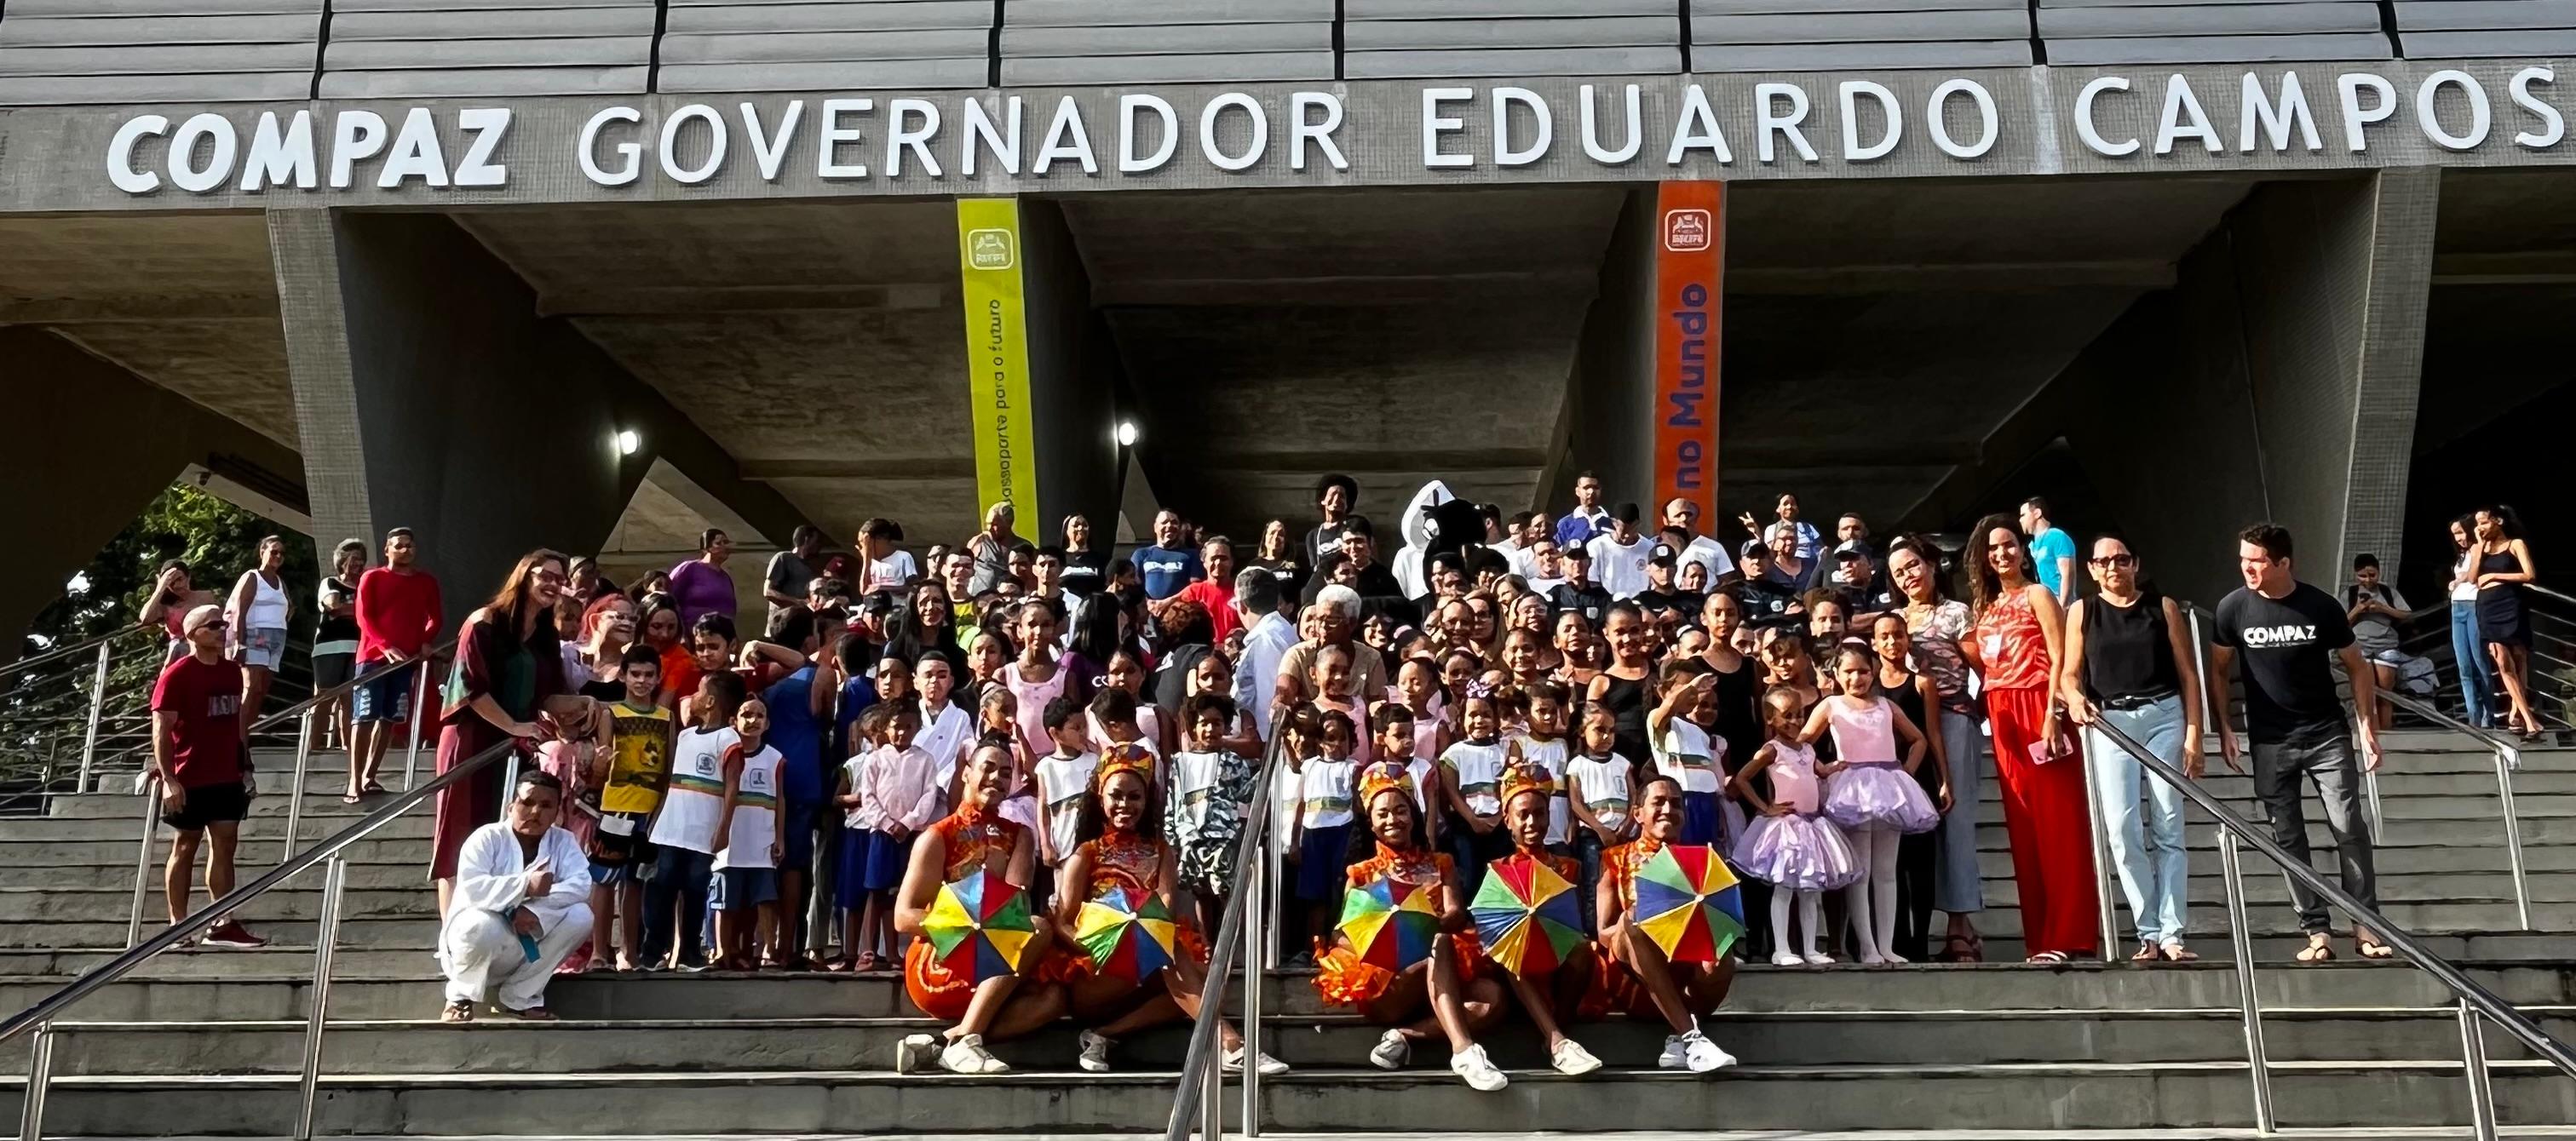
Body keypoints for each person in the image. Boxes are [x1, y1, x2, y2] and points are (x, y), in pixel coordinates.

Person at [2211, 523, 2389, 962]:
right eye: (2243, 560)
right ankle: (2316, 930)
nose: (2247, 568)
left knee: (2348, 824)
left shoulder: (2320, 606)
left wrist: (2366, 724)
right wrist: (2226, 726)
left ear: (2283, 562)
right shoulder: (2233, 608)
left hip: (2325, 732)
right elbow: (2218, 668)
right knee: (2286, 836)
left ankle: (2364, 922)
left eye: (2256, 561)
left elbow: (2357, 665)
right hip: (2270, 739)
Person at [1315, 762, 1511, 1092]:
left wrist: (1422, 926)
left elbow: (1456, 914)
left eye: (1400, 810)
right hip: (1389, 980)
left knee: (1492, 999)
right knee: (1439, 944)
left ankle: (1403, 1037)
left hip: (1441, 964)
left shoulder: (1441, 863)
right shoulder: (1361, 874)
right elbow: (1340, 934)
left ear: (1414, 814)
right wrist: (1382, 940)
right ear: (1371, 823)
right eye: (1384, 814)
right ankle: (1464, 1051)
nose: (1393, 819)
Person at [428, 550, 597, 921]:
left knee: (507, 835)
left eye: (560, 578)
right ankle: (453, 932)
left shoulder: (545, 636)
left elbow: (546, 696)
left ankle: (498, 927)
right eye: (546, 576)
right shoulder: (485, 622)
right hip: (472, 741)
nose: (554, 584)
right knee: (462, 835)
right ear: (524, 575)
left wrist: (584, 702)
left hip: (514, 747)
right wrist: (515, 726)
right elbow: (468, 688)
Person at [2060, 536, 2204, 963]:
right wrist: (2073, 698)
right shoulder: (2082, 612)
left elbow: (2188, 674)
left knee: (2168, 822)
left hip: (2163, 713)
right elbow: (2069, 673)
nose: (2112, 568)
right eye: (2103, 561)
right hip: (2110, 721)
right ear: (2090, 569)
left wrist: (2194, 732)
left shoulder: (2162, 607)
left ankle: (2173, 931)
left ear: (2135, 563)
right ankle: (2149, 931)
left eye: (2121, 560)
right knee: (2122, 830)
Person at [1962, 513, 2097, 964]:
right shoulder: (1985, 608)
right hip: (2002, 717)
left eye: (2009, 545)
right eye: (1993, 549)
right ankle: (2039, 938)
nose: (2002, 554)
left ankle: (2070, 934)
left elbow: (2061, 655)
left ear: (2023, 550)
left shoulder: (2038, 593)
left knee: (2059, 825)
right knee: (2024, 831)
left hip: (2039, 706)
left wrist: (2054, 712)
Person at [892, 743, 1067, 1074]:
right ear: (966, 773)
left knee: (1053, 999)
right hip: (942, 959)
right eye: (988, 768)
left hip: (996, 953)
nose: (997, 778)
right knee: (1038, 927)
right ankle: (966, 1040)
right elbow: (904, 917)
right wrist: (964, 924)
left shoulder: (1020, 836)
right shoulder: (938, 836)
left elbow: (1013, 911)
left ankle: (946, 1045)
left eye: (1006, 773)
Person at [1594, 774, 1740, 1070]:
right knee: (1633, 918)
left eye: (1676, 804)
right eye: (1658, 802)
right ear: (1638, 814)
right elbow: (1604, 932)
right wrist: (1654, 926)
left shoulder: (1701, 860)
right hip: (1638, 981)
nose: (1667, 810)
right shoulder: (1616, 859)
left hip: (1688, 976)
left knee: (1724, 952)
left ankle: (1679, 1033)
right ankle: (1692, 1037)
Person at [1809, 645, 1938, 964]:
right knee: (1861, 871)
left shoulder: (1885, 705)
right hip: (1852, 788)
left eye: (1863, 671)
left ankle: (1887, 945)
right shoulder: (1831, 705)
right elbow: (1800, 742)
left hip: (1888, 786)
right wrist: (1823, 768)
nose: (1856, 678)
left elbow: (1918, 739)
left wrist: (1905, 772)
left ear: (1874, 671)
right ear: (1836, 675)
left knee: (1886, 872)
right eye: (1849, 672)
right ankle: (1867, 946)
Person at [1888, 536, 1985, 960]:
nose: (1908, 576)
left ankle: (1960, 925)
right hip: (1907, 727)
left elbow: (1983, 665)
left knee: (1955, 822)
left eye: (1912, 566)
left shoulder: (1955, 613)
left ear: (1930, 564)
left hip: (1952, 718)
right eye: (1898, 573)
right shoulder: (1893, 621)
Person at [150, 605, 263, 949]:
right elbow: (161, 727)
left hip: (226, 772)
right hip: (189, 774)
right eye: (213, 625)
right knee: (185, 845)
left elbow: (238, 724)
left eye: (222, 623)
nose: (221, 629)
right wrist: (169, 779)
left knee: (226, 843)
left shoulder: (231, 672)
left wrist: (246, 764)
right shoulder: (177, 674)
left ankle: (222, 920)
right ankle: (178, 925)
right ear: (194, 633)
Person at [439, 770, 592, 1022]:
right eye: (527, 803)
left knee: (581, 916)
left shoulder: (563, 841)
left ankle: (520, 996)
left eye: (545, 806)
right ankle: (459, 998)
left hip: (525, 946)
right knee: (479, 924)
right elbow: (474, 888)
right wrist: (524, 889)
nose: (535, 813)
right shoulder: (486, 838)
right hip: (478, 945)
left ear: (557, 812)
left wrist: (534, 910)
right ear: (511, 806)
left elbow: (581, 885)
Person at [1486, 762, 1607, 1075]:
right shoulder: (1497, 870)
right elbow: (1490, 928)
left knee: (1582, 948)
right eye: (1523, 815)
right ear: (1507, 821)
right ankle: (1558, 1042)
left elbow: (1575, 923)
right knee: (1506, 949)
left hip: (1557, 959)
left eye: (1539, 813)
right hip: (1518, 968)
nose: (1531, 822)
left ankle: (1557, 1029)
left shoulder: (1569, 867)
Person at [1733, 689, 1859, 965]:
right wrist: (1766, 807)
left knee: (1810, 891)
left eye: (1799, 714)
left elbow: (1820, 771)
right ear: (1770, 719)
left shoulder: (1808, 748)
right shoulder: (1771, 750)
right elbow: (1742, 778)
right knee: (1784, 888)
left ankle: (1811, 948)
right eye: (1787, 716)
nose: (1796, 721)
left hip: (1813, 825)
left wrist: (1837, 766)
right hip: (1786, 828)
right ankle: (1781, 948)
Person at [643, 672, 745, 969]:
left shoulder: (729, 739)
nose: (694, 698)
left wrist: (723, 828)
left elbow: (732, 786)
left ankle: (689, 950)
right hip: (671, 828)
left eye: (700, 692)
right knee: (662, 885)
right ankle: (652, 951)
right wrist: (658, 816)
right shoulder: (686, 735)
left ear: (711, 701)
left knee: (695, 887)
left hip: (702, 831)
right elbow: (669, 780)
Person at [588, 644, 673, 971]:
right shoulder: (611, 713)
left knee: (636, 882)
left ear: (658, 677)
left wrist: (661, 810)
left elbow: (667, 770)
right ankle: (599, 950)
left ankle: (630, 952)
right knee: (604, 880)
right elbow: (602, 762)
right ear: (623, 675)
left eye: (649, 675)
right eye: (635, 674)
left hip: (649, 809)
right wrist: (598, 766)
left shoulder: (666, 718)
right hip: (615, 806)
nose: (642, 681)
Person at [353, 527, 442, 800]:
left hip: (407, 660)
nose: (405, 550)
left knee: (391, 717)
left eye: (409, 545)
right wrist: (384, 645)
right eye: (399, 545)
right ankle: (354, 781)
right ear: (387, 549)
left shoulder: (426, 581)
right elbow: (363, 617)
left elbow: (435, 618)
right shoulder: (373, 577)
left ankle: (370, 775)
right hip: (372, 658)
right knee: (365, 716)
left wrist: (426, 640)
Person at [1164, 694, 1261, 938]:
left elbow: (1246, 793)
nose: (1210, 729)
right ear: (1193, 728)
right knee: (1201, 893)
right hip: (1191, 837)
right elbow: (1173, 801)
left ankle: (1234, 943)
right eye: (1204, 723)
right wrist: (1172, 836)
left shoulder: (1232, 760)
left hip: (1223, 836)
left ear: (1226, 727)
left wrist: (1263, 773)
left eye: (1216, 723)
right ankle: (1207, 944)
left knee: (1226, 890)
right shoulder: (1180, 762)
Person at [710, 697, 785, 969]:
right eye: (746, 714)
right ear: (734, 721)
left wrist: (780, 837)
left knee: (765, 899)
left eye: (759, 715)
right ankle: (722, 952)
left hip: (761, 840)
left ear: (767, 724)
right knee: (725, 899)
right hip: (729, 843)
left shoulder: (774, 758)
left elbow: (780, 800)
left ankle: (767, 949)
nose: (752, 720)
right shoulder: (725, 755)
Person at [2470, 507, 2543, 738]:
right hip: (2487, 607)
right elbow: (2473, 579)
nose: (2480, 528)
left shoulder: (2515, 544)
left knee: (2519, 659)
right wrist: (2479, 549)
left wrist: (2495, 575)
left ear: (2498, 521)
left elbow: (2529, 575)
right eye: (2477, 524)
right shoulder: (2478, 548)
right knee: (2502, 662)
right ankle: (2530, 721)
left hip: (2511, 603)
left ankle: (2516, 712)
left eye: (2484, 522)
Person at [2343, 554, 2424, 732]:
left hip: (2386, 646)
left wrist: (2383, 608)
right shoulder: (2349, 594)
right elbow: (2340, 624)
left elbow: (2407, 614)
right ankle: (2371, 734)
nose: (2368, 580)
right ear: (2355, 575)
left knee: (2386, 694)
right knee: (2367, 694)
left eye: (2372, 575)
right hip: (2361, 646)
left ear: (2379, 572)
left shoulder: (2389, 593)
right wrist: (2358, 609)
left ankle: (2386, 734)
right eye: (2363, 576)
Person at [313, 538, 366, 777]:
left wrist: (351, 610)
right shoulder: (330, 582)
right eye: (352, 558)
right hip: (329, 646)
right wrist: (360, 611)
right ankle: (313, 747)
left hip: (357, 646)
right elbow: (333, 606)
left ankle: (347, 746)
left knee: (349, 698)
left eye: (360, 559)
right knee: (325, 697)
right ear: (342, 562)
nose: (357, 563)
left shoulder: (365, 587)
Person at [2446, 516, 2498, 730]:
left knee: (2480, 663)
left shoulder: (2478, 548)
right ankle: (2472, 716)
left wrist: (2458, 580)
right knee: (2464, 666)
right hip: (2456, 607)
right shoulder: (2460, 555)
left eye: (2460, 532)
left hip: (2473, 605)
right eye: (2455, 535)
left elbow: (2473, 575)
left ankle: (2489, 714)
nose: (2458, 538)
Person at [1233, 568, 1297, 738]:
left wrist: (1263, 745)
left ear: (1242, 606)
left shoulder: (1268, 638)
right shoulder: (1277, 630)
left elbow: (1269, 699)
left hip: (1267, 741)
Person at [139, 559, 220, 657]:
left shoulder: (206, 596)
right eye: (171, 583)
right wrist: (160, 588)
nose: (177, 585)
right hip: (183, 655)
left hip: (212, 650)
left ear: (188, 577)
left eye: (180, 579)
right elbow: (145, 618)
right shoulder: (165, 606)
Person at [670, 529, 739, 634]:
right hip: (691, 635)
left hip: (720, 637)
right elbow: (669, 598)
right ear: (707, 548)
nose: (725, 547)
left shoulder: (726, 578)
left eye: (726, 543)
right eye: (719, 543)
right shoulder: (690, 568)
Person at [1660, 497, 1736, 585]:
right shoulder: (1655, 547)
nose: (1684, 518)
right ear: (1666, 520)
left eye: (1688, 514)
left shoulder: (1714, 547)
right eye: (1678, 515)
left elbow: (1727, 581)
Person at [2020, 497, 2079, 605]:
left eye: (2023, 515)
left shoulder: (2057, 536)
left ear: (2037, 513)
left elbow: (2067, 575)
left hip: (2061, 604)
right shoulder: (2031, 546)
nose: (2020, 520)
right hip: (2045, 603)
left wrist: (2063, 606)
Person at [1587, 503, 1652, 599]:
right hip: (1609, 603)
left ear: (1639, 524)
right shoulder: (1597, 546)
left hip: (1641, 604)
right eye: (1624, 530)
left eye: (1633, 529)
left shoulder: (1649, 547)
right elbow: (1593, 581)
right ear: (1614, 523)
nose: (1627, 536)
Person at [765, 525, 826, 622]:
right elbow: (768, 592)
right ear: (807, 540)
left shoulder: (810, 568)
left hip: (800, 626)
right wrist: (797, 602)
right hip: (781, 626)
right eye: (816, 540)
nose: (819, 545)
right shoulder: (783, 558)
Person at [1138, 511, 1205, 601]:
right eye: (1164, 522)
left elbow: (1195, 585)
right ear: (1155, 527)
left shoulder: (1191, 555)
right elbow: (1133, 583)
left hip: (1179, 609)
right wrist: (1147, 603)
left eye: (1174, 523)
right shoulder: (1142, 554)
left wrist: (1168, 602)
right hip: (1146, 610)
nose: (1169, 525)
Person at [1741, 493, 1820, 563]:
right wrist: (1757, 533)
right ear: (1778, 509)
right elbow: (1768, 554)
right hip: (1781, 569)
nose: (1789, 506)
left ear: (1797, 509)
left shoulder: (1809, 528)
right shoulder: (1772, 529)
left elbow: (1820, 550)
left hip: (1809, 568)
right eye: (1785, 504)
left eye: (1793, 503)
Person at [1308, 474, 1362, 567]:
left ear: (1347, 504)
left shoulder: (1357, 527)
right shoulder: (1313, 536)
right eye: (1332, 494)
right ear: (1323, 500)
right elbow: (1315, 569)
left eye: (1341, 496)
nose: (1336, 499)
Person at [858, 519, 919, 595]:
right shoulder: (870, 564)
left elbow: (915, 587)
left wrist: (883, 588)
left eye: (863, 542)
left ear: (880, 539)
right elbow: (864, 591)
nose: (862, 547)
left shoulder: (903, 557)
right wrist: (866, 559)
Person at [1555, 472, 1610, 548]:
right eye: (1586, 487)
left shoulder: (1613, 522)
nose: (1591, 491)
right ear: (1578, 491)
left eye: (1596, 488)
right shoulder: (1566, 523)